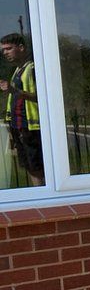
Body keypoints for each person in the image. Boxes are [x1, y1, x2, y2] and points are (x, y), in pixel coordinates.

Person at [1, 33, 43, 186]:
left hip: (31, 127)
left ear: (21, 48)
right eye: (3, 50)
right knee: (29, 166)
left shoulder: (32, 69)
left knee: (36, 165)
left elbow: (43, 97)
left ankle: (44, 196)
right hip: (19, 126)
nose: (5, 53)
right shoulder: (18, 70)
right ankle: (39, 194)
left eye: (8, 48)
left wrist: (15, 91)